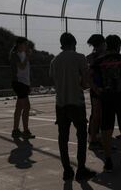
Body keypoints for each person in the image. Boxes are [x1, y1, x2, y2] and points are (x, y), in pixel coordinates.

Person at [49, 33, 96, 181]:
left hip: (61, 104)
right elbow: (86, 81)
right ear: (73, 43)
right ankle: (81, 170)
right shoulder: (79, 57)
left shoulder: (54, 61)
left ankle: (67, 170)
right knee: (81, 137)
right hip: (76, 102)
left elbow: (53, 79)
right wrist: (83, 84)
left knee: (63, 138)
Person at [91, 35, 121, 172]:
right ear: (119, 46)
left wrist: (96, 89)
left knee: (106, 129)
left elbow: (88, 76)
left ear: (107, 45)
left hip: (106, 97)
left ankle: (108, 161)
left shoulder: (99, 60)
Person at [10, 37, 35, 139]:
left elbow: (26, 71)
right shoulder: (15, 55)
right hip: (19, 83)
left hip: (24, 83)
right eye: (25, 44)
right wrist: (28, 57)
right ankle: (25, 131)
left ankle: (15, 130)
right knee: (27, 107)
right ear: (20, 45)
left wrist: (29, 84)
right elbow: (21, 67)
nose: (27, 46)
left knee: (19, 107)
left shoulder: (24, 54)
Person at [86, 34, 106, 150]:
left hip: (100, 89)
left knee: (98, 114)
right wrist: (95, 88)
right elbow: (89, 76)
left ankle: (98, 138)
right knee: (97, 114)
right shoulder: (92, 58)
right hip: (97, 89)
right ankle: (94, 139)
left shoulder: (91, 57)